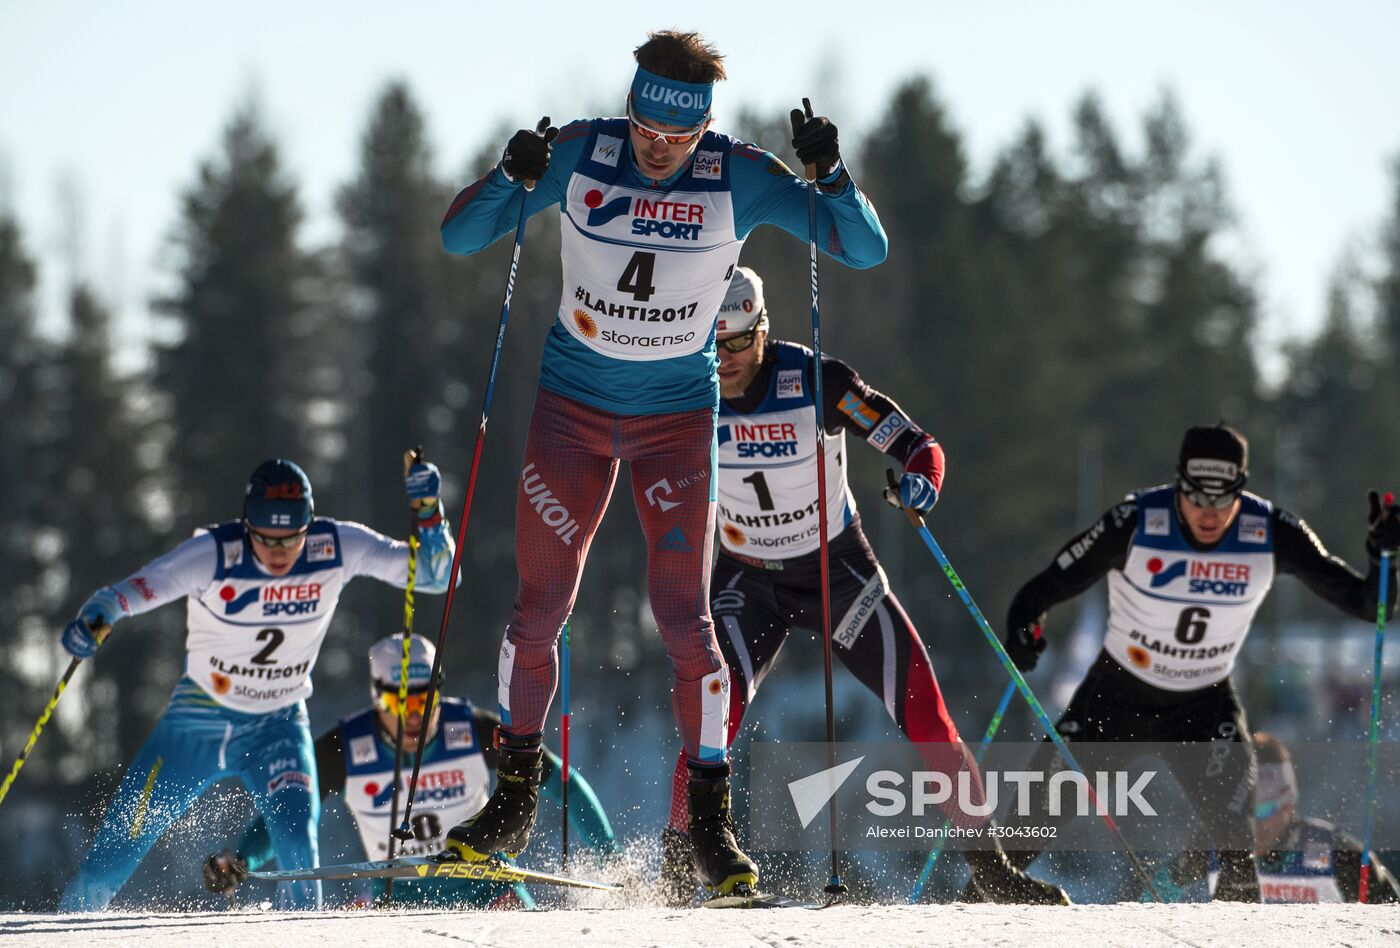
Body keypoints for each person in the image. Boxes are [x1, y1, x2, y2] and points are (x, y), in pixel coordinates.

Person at [437, 30, 887, 897]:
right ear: (632, 106)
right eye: (647, 127)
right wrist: (510, 174)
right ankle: (514, 799)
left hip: (676, 422)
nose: (657, 150)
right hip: (571, 414)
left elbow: (861, 249)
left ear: (704, 128)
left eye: (677, 138)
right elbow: (463, 239)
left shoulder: (737, 175)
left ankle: (712, 826)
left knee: (687, 622)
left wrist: (832, 175)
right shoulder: (583, 152)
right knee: (539, 610)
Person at [654, 267, 1069, 904]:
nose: (726, 359)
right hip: (747, 579)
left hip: (834, 572)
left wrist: (921, 480)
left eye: (738, 342)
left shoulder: (818, 381)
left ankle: (993, 873)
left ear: (763, 331)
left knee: (925, 710)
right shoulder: (685, 382)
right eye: (714, 344)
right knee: (711, 714)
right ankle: (682, 869)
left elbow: (914, 442)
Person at [993, 423, 1399, 901]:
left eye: (1222, 499)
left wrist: (1384, 554)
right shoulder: (1136, 520)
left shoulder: (1270, 530)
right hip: (1115, 697)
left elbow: (1368, 603)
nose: (1209, 513)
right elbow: (1045, 587)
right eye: (1196, 497)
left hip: (1201, 706)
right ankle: (967, 912)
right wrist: (1023, 629)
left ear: (1240, 490)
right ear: (1178, 484)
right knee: (1020, 834)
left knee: (1236, 856)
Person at [58, 457, 456, 911]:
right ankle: (67, 927)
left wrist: (428, 512)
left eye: (292, 539)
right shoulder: (212, 553)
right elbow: (137, 588)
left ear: (310, 525)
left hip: (278, 724)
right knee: (119, 847)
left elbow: (439, 574)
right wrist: (99, 615)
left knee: (296, 838)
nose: (280, 552)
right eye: (266, 539)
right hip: (196, 724)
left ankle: (306, 936)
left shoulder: (337, 545)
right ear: (247, 526)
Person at [201, 633, 620, 909]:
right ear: (377, 699)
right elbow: (289, 810)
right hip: (398, 896)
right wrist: (241, 858)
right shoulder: (346, 746)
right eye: (399, 705)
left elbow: (563, 782)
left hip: (487, 887)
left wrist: (609, 856)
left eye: (424, 703)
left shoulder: (473, 728)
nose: (413, 719)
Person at [1142, 732, 1400, 903]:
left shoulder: (1338, 854)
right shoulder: (1216, 844)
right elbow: (1159, 888)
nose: (1255, 826)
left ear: (1288, 804)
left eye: (1265, 811)